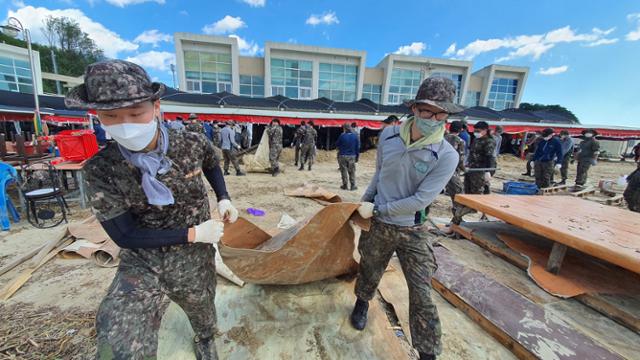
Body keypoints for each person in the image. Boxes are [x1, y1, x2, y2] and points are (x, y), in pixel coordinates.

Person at [65, 60, 239, 360]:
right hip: (143, 263)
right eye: (111, 116)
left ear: (156, 106)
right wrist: (194, 232)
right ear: (98, 116)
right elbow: (125, 234)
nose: (125, 124)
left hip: (194, 260)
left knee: (202, 309)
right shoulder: (101, 169)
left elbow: (211, 164)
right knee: (119, 336)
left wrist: (223, 197)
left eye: (135, 113)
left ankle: (205, 338)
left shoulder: (190, 142)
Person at [352, 77, 460, 360]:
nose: (434, 119)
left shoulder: (446, 155)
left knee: (422, 291)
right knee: (369, 267)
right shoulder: (388, 136)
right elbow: (379, 174)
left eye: (441, 114)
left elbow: (422, 200)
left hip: (413, 228)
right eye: (427, 111)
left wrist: (377, 210)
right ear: (414, 109)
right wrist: (366, 201)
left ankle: (427, 352)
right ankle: (362, 303)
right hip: (379, 225)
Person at [452, 121, 496, 225]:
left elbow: (489, 157)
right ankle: (458, 219)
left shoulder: (489, 141)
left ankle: (460, 218)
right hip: (471, 169)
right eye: (475, 130)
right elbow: (472, 154)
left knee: (477, 195)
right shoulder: (476, 139)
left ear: (485, 130)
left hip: (480, 171)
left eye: (478, 131)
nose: (476, 132)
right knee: (467, 193)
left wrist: (488, 171)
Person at [444, 120, 465, 219]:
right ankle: (457, 218)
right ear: (460, 129)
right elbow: (460, 158)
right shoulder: (459, 141)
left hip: (441, 170)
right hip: (452, 171)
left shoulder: (443, 138)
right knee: (458, 194)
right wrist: (464, 168)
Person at [335, 123, 360, 190]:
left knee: (344, 171)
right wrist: (357, 157)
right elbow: (357, 148)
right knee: (352, 171)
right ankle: (353, 185)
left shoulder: (342, 136)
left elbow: (337, 144)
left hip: (342, 155)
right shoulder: (355, 136)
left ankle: (345, 185)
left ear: (344, 128)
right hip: (352, 156)